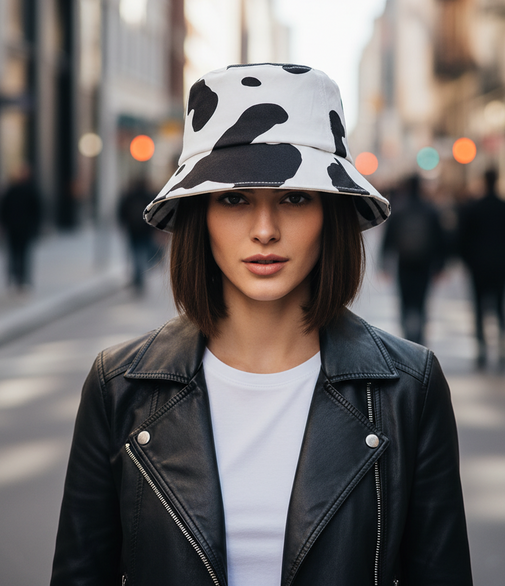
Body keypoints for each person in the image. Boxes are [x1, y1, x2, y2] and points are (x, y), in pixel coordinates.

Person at [51, 64, 472, 586]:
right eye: (234, 198)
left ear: (331, 214)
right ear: (200, 214)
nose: (265, 230)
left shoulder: (410, 388)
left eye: (295, 198)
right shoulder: (120, 387)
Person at [458, 168, 505, 371]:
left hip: (478, 266)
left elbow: (462, 238)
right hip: (501, 264)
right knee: (501, 307)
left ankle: (482, 348)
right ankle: (503, 346)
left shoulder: (474, 207)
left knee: (479, 308)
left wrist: (467, 261)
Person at [381, 174, 446, 346]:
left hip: (404, 263)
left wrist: (384, 264)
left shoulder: (399, 209)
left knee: (405, 301)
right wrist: (440, 265)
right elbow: (440, 239)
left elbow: (388, 239)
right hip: (425, 264)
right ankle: (419, 339)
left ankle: (406, 339)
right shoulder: (430, 210)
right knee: (421, 302)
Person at [0, 164, 42, 289]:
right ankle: (13, 277)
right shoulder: (12, 190)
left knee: (23, 254)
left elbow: (37, 211)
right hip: (13, 227)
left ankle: (22, 279)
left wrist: (35, 227)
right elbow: (4, 208)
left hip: (24, 228)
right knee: (13, 253)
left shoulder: (31, 190)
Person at [118, 177, 158, 293]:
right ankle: (139, 276)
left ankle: (138, 276)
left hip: (133, 231)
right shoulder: (148, 196)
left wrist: (123, 224)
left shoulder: (129, 196)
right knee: (144, 254)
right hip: (146, 231)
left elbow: (122, 211)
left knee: (135, 253)